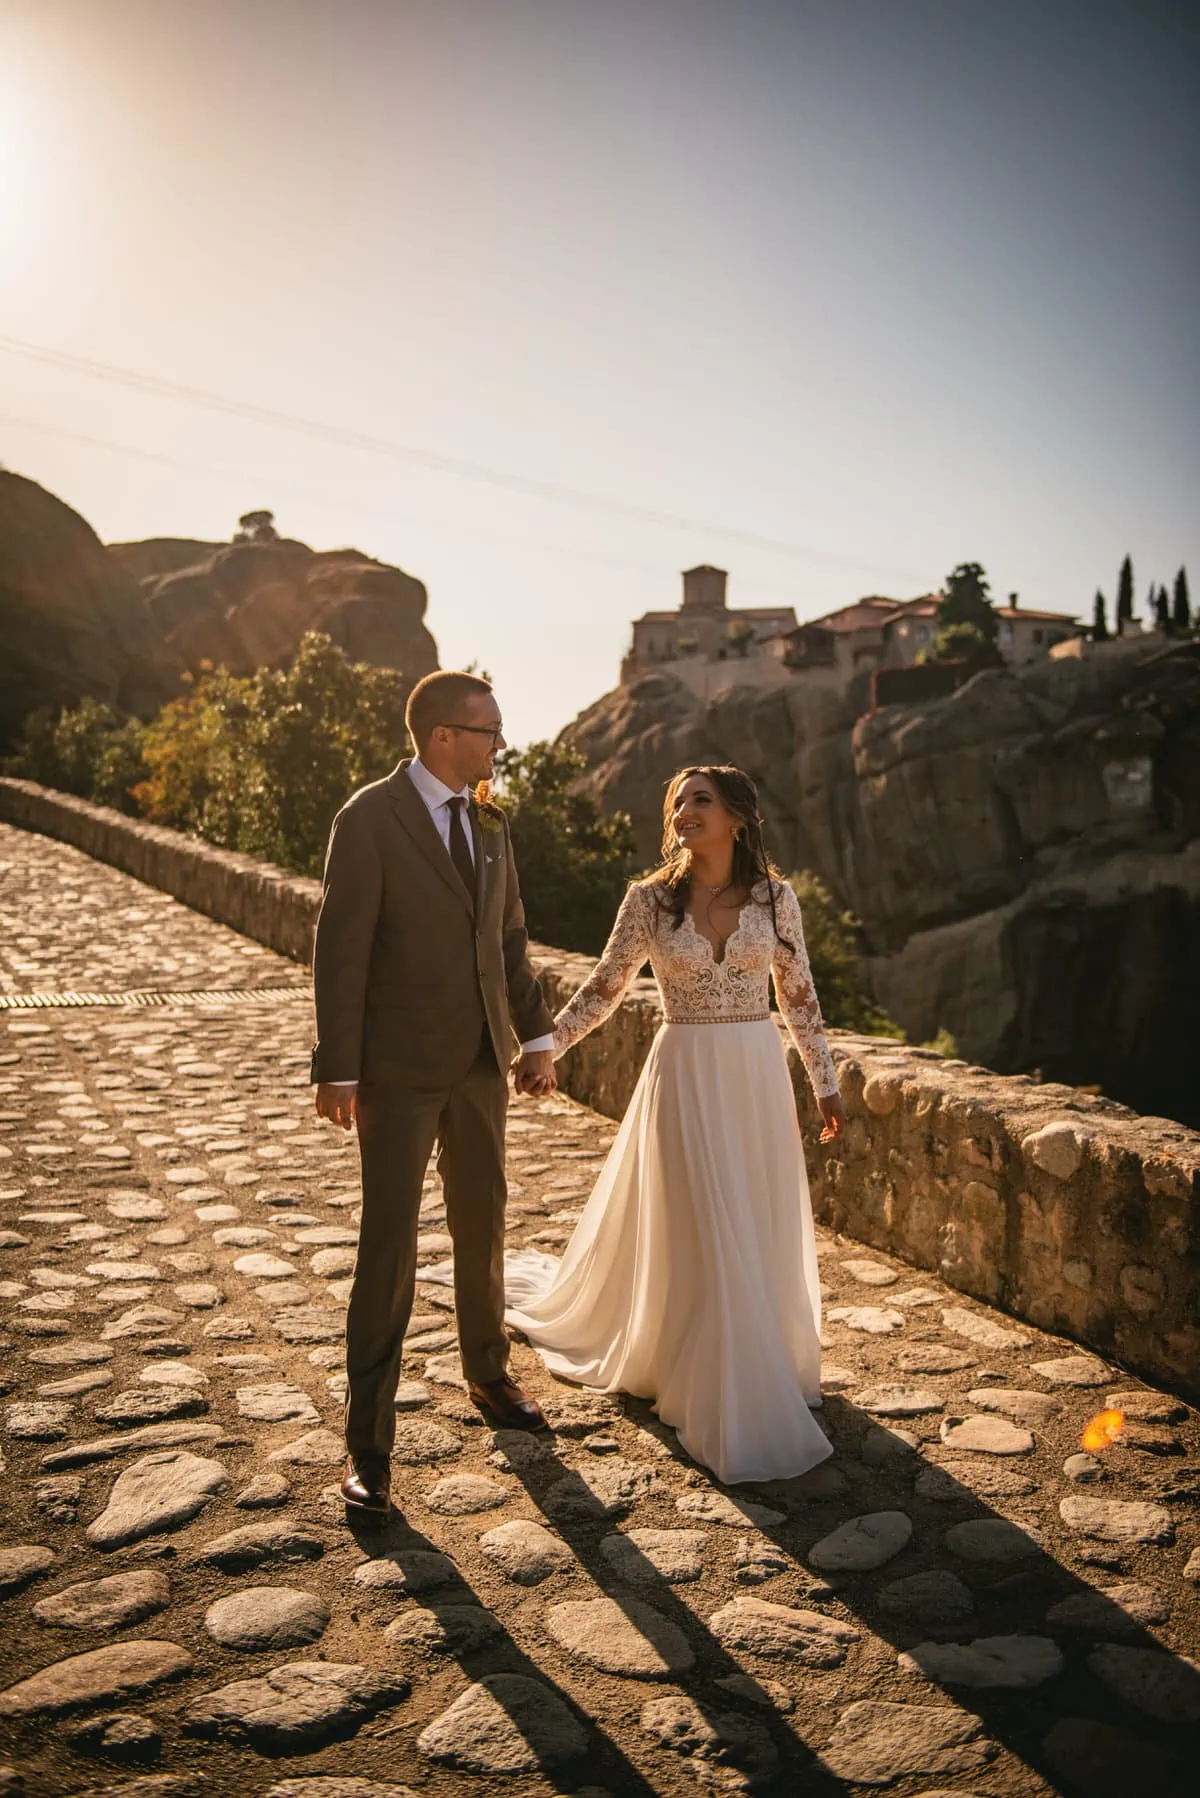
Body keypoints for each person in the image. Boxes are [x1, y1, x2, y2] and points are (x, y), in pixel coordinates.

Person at [505, 765, 846, 1485]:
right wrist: (545, 1048)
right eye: (677, 801)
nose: (684, 811)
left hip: (755, 1076)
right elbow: (604, 986)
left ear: (738, 818)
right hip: (685, 1073)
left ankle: (751, 1361)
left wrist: (826, 1085)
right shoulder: (649, 903)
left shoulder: (777, 901)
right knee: (701, 1216)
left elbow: (802, 998)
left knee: (749, 1218)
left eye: (700, 800)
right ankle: (706, 1375)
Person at [311, 669, 557, 1522]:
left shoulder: (490, 818)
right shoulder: (368, 817)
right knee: (389, 1248)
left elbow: (511, 938)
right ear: (444, 735)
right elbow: (340, 948)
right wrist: (336, 1064)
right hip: (397, 1069)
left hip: (483, 1064)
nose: (500, 745)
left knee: (483, 1223)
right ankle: (368, 1448)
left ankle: (488, 1374)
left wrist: (537, 1037)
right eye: (489, 731)